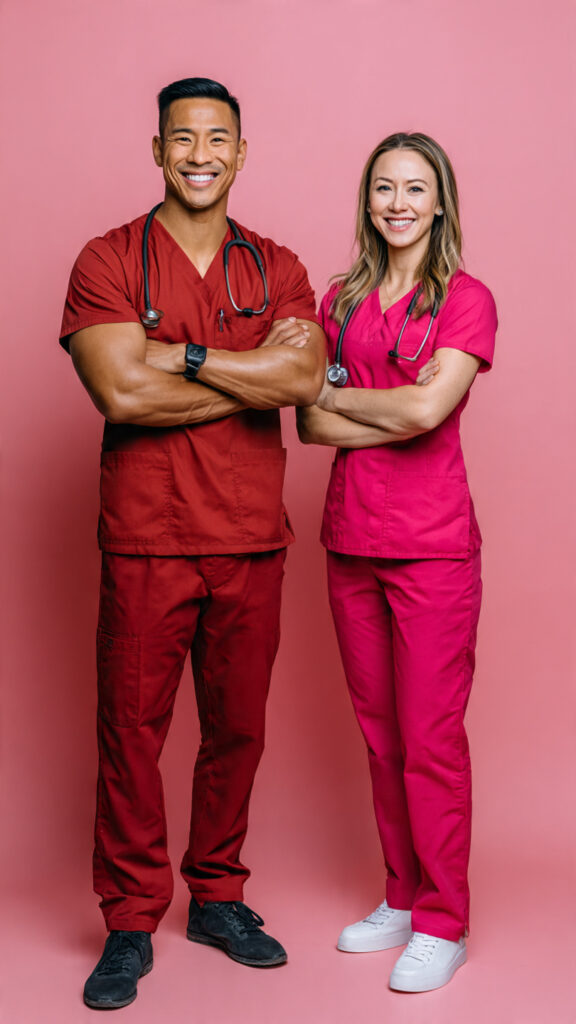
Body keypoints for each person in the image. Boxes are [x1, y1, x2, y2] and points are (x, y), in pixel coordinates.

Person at [60, 77, 325, 1010]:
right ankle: (131, 919)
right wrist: (254, 372)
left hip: (250, 538)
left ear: (241, 153)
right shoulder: (108, 259)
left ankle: (217, 896)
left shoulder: (277, 266)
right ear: (158, 150)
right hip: (149, 537)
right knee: (131, 733)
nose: (200, 155)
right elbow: (119, 392)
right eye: (183, 138)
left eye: (218, 139)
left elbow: (304, 381)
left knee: (238, 729)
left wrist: (184, 353)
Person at [298, 132, 497, 993]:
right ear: (367, 200)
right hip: (351, 542)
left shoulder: (466, 299)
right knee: (380, 740)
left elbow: (426, 412)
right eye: (385, 187)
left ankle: (444, 922)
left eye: (416, 188)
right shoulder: (338, 299)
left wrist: (346, 397)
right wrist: (377, 404)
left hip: (432, 550)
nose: (399, 203)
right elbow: (308, 422)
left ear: (440, 201)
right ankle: (403, 897)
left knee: (429, 742)